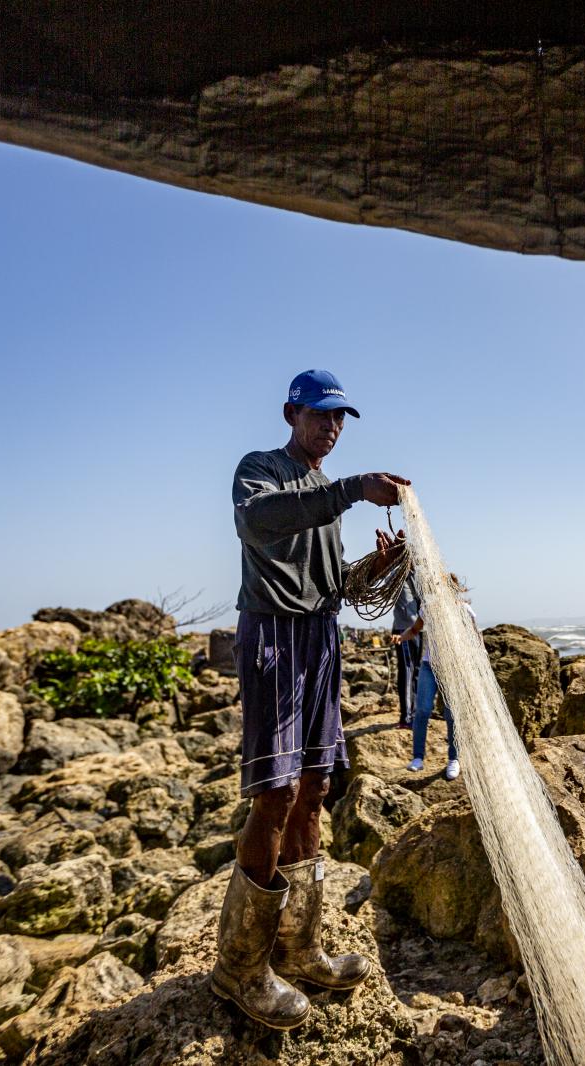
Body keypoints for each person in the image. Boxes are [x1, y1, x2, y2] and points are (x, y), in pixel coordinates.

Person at [212, 368, 409, 1031]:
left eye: (340, 418)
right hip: (273, 636)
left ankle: (298, 948)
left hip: (322, 638)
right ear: (291, 414)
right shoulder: (261, 471)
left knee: (316, 787)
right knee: (276, 792)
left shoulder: (326, 496)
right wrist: (351, 490)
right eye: (321, 414)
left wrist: (372, 570)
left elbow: (328, 583)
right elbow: (259, 525)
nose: (331, 426)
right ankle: (239, 966)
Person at [394, 572, 477, 782]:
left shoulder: (464, 610)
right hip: (429, 666)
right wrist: (400, 637)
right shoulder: (428, 609)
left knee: (451, 714)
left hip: (454, 670)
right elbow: (415, 630)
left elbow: (476, 638)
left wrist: (478, 659)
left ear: (452, 589)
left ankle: (453, 759)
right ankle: (418, 757)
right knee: (422, 711)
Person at [390, 577, 422, 729]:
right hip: (404, 628)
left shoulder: (418, 573)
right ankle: (407, 717)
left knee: (415, 672)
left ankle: (413, 714)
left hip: (418, 627)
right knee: (407, 672)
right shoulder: (398, 573)